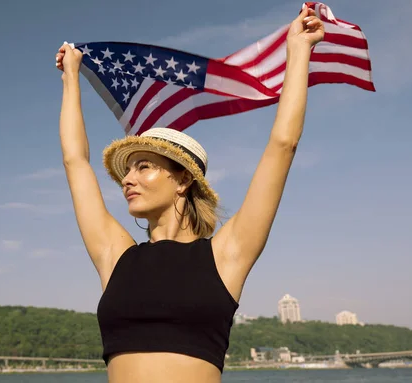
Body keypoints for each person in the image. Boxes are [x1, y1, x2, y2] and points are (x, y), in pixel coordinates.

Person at [55, 6, 324, 383]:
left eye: (144, 166)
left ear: (183, 181)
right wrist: (71, 79)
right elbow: (75, 163)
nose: (127, 179)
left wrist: (297, 52)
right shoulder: (115, 256)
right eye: (127, 170)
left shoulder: (226, 254)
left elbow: (283, 144)